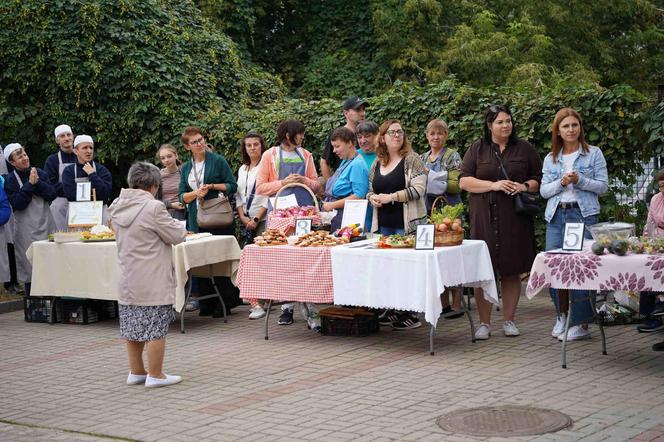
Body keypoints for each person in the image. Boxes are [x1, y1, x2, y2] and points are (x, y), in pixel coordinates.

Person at [459, 105, 542, 340]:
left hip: (514, 217)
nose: (506, 125)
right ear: (489, 126)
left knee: (511, 269)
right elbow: (464, 181)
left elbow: (538, 178)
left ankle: (509, 320)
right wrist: (493, 185)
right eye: (500, 122)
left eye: (508, 121)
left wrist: (524, 186)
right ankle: (484, 324)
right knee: (483, 271)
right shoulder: (477, 148)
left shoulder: (524, 148)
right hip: (483, 215)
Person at [109, 162, 186, 388]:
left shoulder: (116, 204)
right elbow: (174, 235)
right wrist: (182, 228)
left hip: (128, 275)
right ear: (154, 185)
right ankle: (156, 374)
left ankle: (136, 371)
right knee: (155, 328)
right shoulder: (153, 208)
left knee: (132, 328)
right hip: (152, 277)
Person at [541, 107, 608, 341]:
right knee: (553, 267)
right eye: (565, 126)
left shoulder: (594, 154)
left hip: (583, 216)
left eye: (574, 125)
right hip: (557, 217)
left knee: (581, 270)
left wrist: (581, 180)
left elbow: (603, 186)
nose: (571, 130)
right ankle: (562, 315)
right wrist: (561, 182)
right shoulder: (551, 159)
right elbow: (543, 191)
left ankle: (580, 324)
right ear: (558, 131)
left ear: (580, 128)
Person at [256, 119, 321, 327]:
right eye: (299, 133)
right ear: (288, 135)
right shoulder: (270, 155)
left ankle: (311, 308)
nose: (302, 137)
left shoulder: (306, 155)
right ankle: (286, 308)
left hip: (304, 213)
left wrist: (304, 181)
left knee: (306, 260)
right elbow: (261, 187)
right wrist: (282, 183)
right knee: (283, 262)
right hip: (280, 217)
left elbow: (317, 185)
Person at [367, 119, 427, 330]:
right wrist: (372, 197)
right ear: (382, 138)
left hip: (407, 225)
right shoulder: (377, 162)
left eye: (400, 132)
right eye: (392, 132)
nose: (397, 135)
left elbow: (418, 190)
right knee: (387, 270)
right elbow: (370, 189)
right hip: (383, 225)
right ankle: (392, 309)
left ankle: (410, 312)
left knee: (406, 270)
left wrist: (390, 197)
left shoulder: (413, 160)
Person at [178, 126, 239, 317]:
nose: (200, 144)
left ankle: (224, 303)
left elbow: (232, 185)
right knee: (200, 260)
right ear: (187, 147)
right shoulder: (186, 167)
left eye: (201, 139)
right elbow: (181, 196)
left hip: (216, 215)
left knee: (219, 258)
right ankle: (206, 303)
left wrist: (211, 186)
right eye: (195, 142)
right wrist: (195, 193)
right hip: (196, 216)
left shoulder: (217, 160)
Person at [420, 119, 464, 319]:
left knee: (453, 256)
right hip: (428, 211)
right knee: (435, 257)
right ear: (427, 136)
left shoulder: (452, 156)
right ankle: (441, 301)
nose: (435, 137)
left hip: (450, 211)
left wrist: (432, 177)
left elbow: (455, 185)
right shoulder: (422, 157)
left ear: (446, 135)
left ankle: (457, 302)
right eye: (432, 133)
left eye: (440, 133)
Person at [3, 143, 56, 296]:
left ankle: (53, 298)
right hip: (25, 231)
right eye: (19, 157)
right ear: (12, 162)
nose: (25, 158)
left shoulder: (39, 172)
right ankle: (32, 299)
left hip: (46, 225)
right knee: (29, 265)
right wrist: (30, 185)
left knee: (50, 262)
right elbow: (18, 204)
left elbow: (51, 193)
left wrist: (37, 182)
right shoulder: (10, 181)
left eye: (25, 155)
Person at [235, 132, 268, 320]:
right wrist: (242, 217)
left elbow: (267, 197)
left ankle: (261, 302)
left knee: (261, 262)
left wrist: (256, 219)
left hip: (261, 219)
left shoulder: (266, 166)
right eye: (249, 145)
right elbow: (239, 195)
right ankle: (254, 300)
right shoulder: (242, 169)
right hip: (246, 218)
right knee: (247, 261)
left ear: (262, 146)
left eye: (256, 144)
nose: (253, 148)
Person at [321, 126, 369, 231]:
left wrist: (332, 204)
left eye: (337, 146)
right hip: (337, 217)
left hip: (348, 221)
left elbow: (359, 196)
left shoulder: (357, 164)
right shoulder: (346, 161)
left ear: (349, 143)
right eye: (333, 147)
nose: (334, 150)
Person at [62, 135, 113, 223]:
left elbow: (105, 195)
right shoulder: (68, 171)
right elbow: (70, 196)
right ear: (75, 151)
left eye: (91, 148)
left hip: (100, 216)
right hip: (77, 217)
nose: (89, 151)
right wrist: (94, 193)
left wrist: (92, 174)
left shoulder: (102, 170)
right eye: (85, 148)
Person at [638, 168, 664, 340]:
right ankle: (649, 315)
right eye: (661, 186)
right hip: (658, 242)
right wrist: (645, 240)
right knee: (645, 263)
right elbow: (650, 224)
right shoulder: (656, 199)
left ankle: (660, 308)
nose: (663, 189)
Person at [320, 96, 368, 182]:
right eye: (358, 110)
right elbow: (324, 162)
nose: (362, 113)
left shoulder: (369, 133)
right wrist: (330, 186)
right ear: (346, 113)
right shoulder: (337, 134)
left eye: (363, 109)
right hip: (344, 187)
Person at [43, 124, 77, 230]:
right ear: (57, 141)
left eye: (69, 135)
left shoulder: (83, 156)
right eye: (62, 136)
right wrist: (72, 190)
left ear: (73, 137)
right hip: (61, 204)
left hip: (82, 203)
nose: (67, 138)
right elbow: (50, 184)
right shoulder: (52, 160)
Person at [156, 144, 185, 220]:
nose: (166, 160)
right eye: (163, 158)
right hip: (164, 213)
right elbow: (153, 200)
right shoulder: (158, 176)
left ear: (176, 156)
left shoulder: (184, 172)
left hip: (184, 211)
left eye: (169, 156)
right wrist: (171, 205)